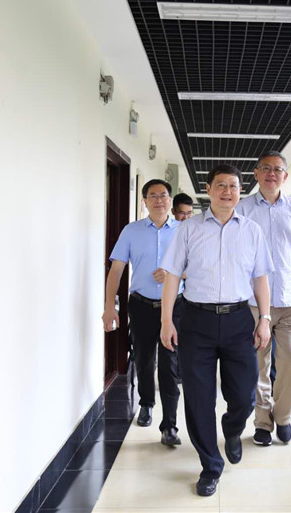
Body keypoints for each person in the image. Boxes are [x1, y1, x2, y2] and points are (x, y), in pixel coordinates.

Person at [159, 164, 274, 497]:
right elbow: (172, 277)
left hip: (239, 320)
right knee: (199, 398)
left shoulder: (252, 231)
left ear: (241, 191)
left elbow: (260, 278)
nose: (227, 191)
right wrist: (166, 321)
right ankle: (210, 465)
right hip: (197, 321)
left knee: (245, 393)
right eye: (221, 185)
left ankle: (233, 428)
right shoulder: (189, 229)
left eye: (234, 186)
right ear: (208, 189)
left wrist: (265, 318)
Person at [237, 150, 291, 446]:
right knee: (258, 365)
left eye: (277, 169)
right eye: (266, 168)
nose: (272, 174)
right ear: (256, 174)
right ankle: (262, 422)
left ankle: (282, 416)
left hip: (290, 299)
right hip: (254, 303)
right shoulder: (243, 208)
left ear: (285, 176)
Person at [102, 179, 183, 447]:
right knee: (144, 359)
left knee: (170, 365)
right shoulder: (131, 231)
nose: (159, 200)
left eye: (163, 195)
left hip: (175, 307)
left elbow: (197, 267)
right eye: (153, 196)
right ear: (144, 201)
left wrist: (175, 274)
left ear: (170, 200)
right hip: (141, 305)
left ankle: (169, 425)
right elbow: (116, 270)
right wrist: (109, 307)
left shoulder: (184, 231)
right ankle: (146, 403)